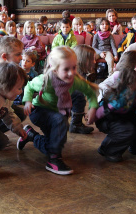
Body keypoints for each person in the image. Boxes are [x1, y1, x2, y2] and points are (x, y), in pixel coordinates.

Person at [19, 46, 98, 175]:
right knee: (61, 122)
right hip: (38, 111)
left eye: (74, 67)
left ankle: (31, 135)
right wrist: (27, 101)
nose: (71, 73)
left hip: (56, 113)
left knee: (54, 143)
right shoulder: (45, 80)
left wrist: (93, 107)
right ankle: (53, 160)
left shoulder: (74, 81)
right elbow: (29, 86)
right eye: (66, 69)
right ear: (54, 69)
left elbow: (90, 92)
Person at [95, 50, 136, 162]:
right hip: (106, 117)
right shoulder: (124, 92)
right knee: (127, 129)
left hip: (119, 115)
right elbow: (108, 107)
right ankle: (107, 149)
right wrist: (94, 115)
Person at [70, 44, 97, 134]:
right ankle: (75, 124)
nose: (95, 61)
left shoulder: (80, 73)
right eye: (92, 59)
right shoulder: (71, 74)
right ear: (84, 60)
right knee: (79, 95)